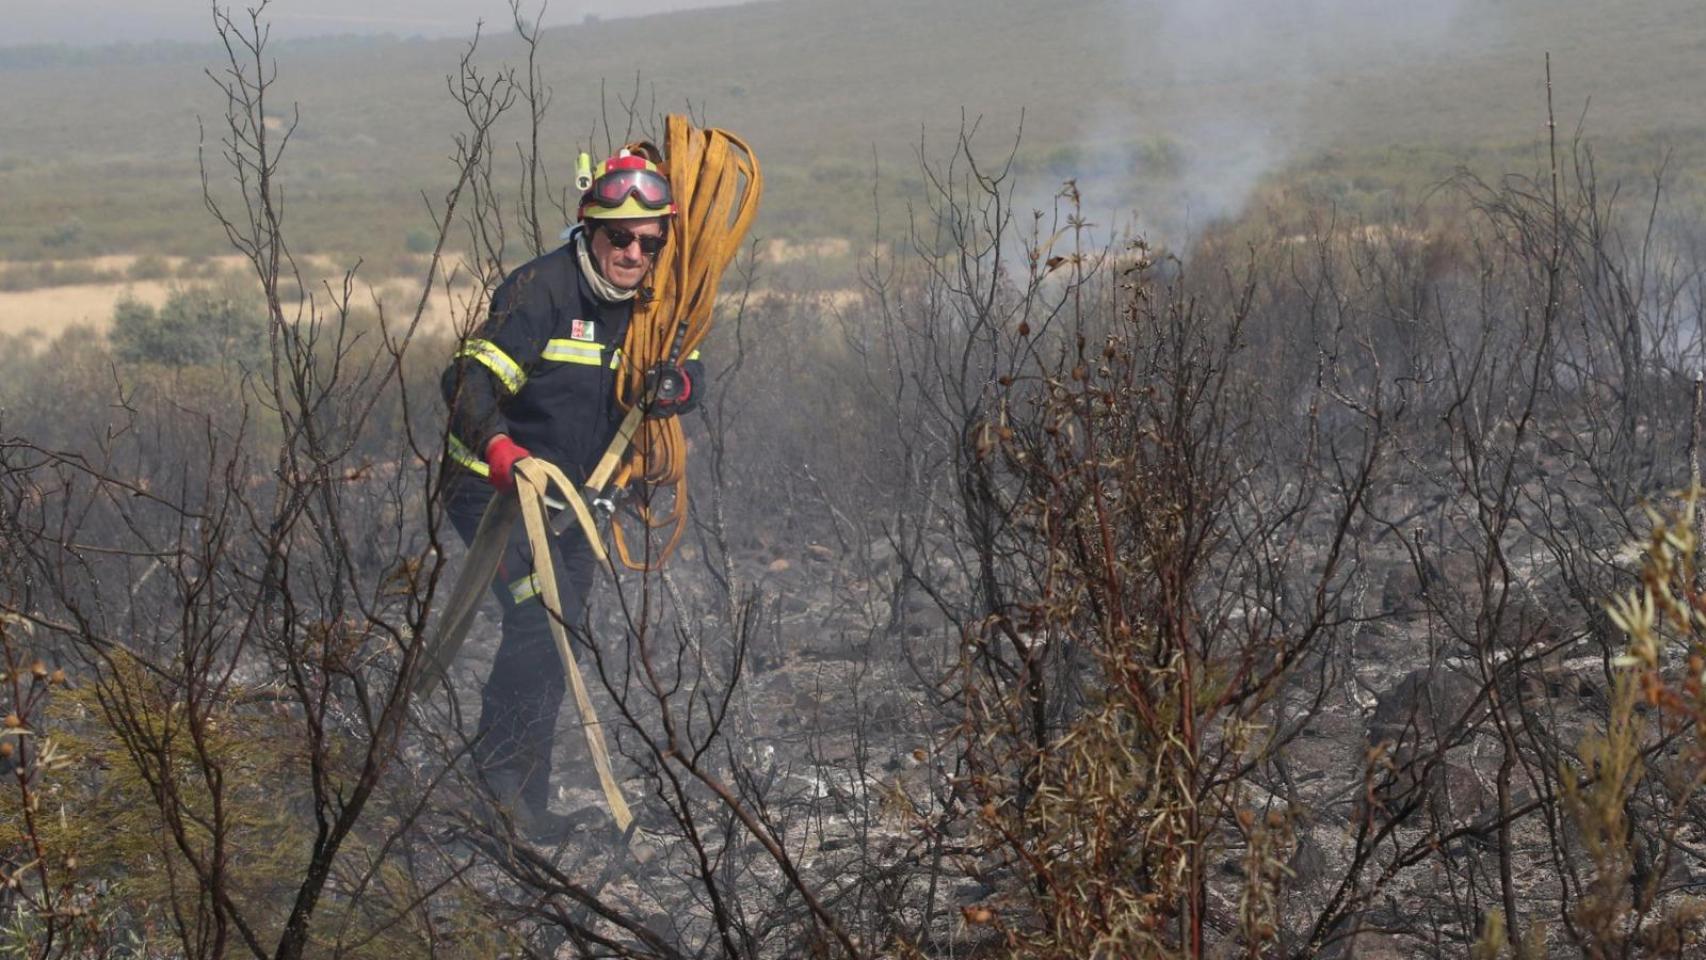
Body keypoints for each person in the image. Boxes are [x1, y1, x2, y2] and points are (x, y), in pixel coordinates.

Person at [439, 148, 701, 839]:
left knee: (562, 635)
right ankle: (497, 795)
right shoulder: (540, 291)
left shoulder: (655, 308)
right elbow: (465, 382)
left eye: (650, 242)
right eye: (620, 237)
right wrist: (501, 453)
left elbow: (689, 370)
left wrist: (678, 387)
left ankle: (526, 801)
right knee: (537, 617)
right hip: (493, 490)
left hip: (577, 502)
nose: (634, 253)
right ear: (589, 229)